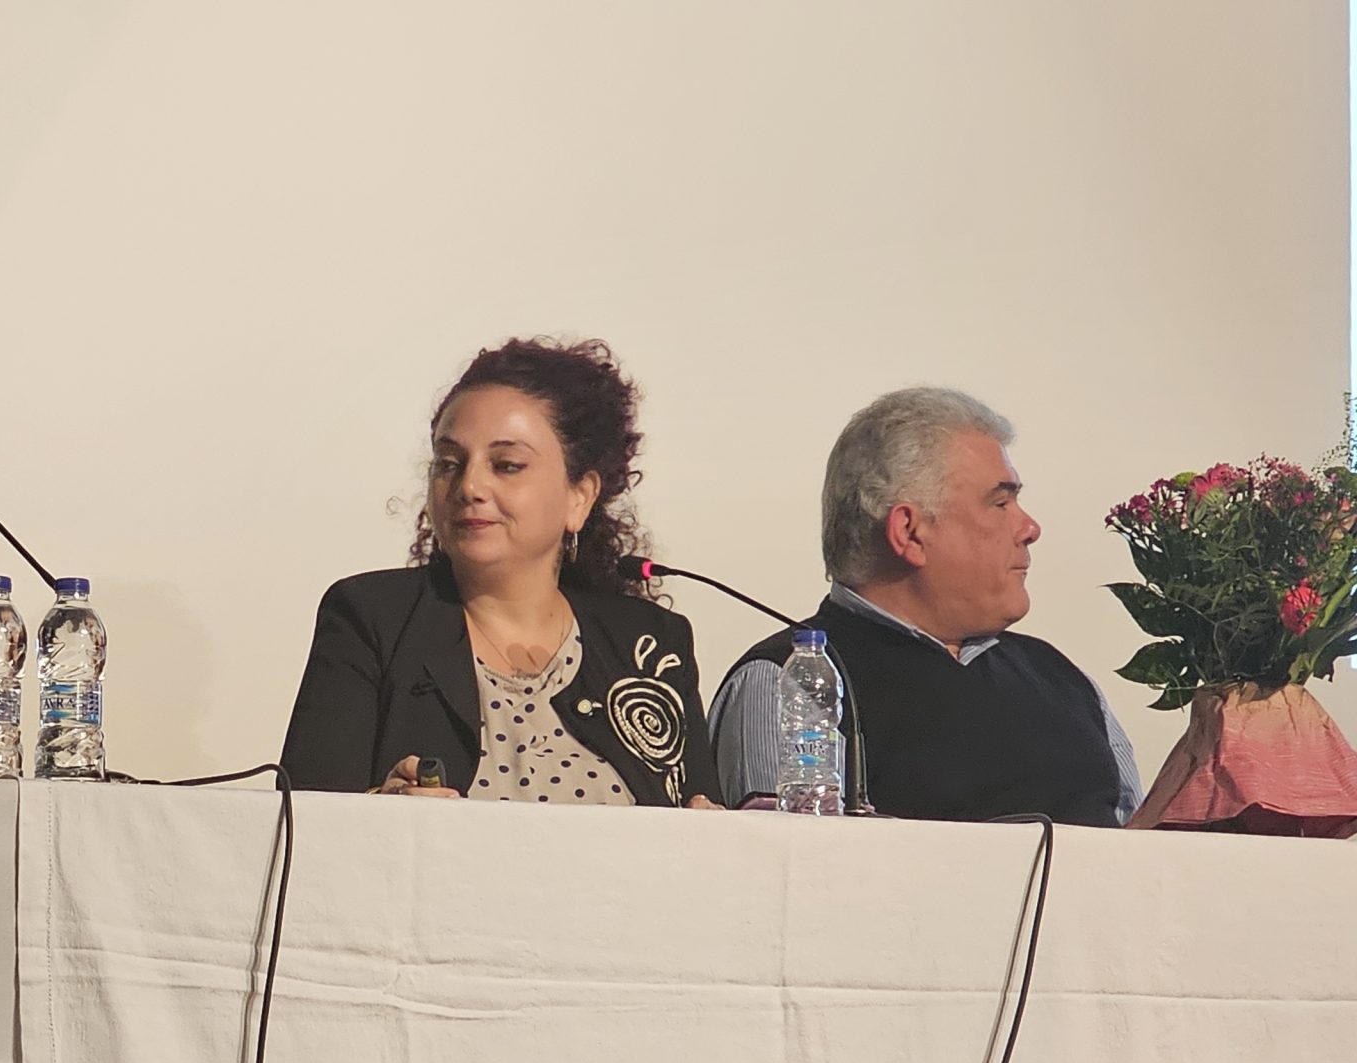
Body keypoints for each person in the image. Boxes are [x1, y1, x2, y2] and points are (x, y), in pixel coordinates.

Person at [281, 338, 718, 807]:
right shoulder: (372, 619)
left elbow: (700, 814)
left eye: (507, 465)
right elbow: (304, 817)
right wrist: (380, 804)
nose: (469, 486)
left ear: (579, 497)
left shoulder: (651, 644)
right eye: (450, 464)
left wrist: (712, 824)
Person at [707, 387, 1140, 824]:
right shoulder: (795, 679)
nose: (1030, 528)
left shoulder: (1063, 680)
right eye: (1000, 503)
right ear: (910, 532)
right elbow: (787, 862)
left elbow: (1141, 853)